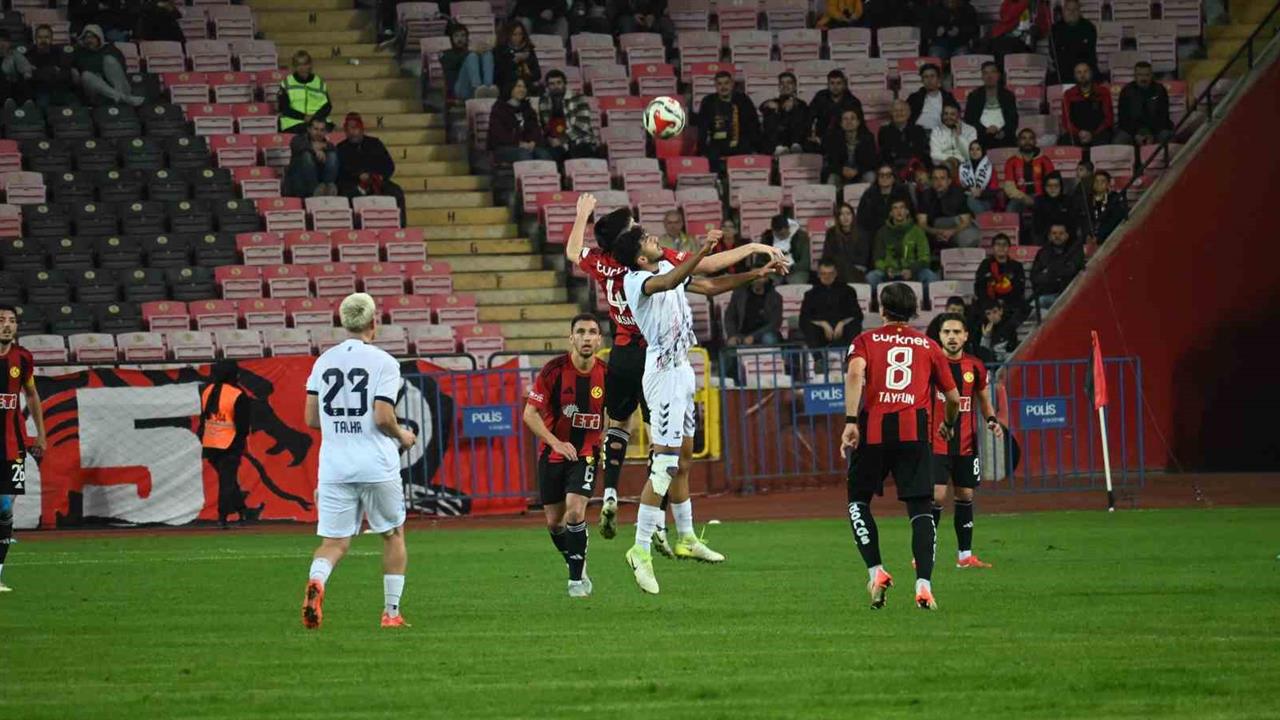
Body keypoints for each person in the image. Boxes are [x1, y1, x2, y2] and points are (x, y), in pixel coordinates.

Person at [564, 196, 785, 543]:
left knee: (620, 423)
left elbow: (574, 251)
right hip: (655, 357)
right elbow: (707, 272)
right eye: (634, 227)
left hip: (621, 354)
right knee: (665, 447)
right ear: (630, 243)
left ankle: (610, 492)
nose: (641, 228)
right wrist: (753, 248)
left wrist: (580, 217)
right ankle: (654, 528)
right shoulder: (649, 266)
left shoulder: (604, 263)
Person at [615, 226, 786, 594]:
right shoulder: (637, 280)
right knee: (664, 465)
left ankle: (687, 536)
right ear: (640, 258)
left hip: (683, 369)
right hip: (661, 375)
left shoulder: (667, 267)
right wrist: (701, 250)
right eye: (647, 241)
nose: (655, 241)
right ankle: (640, 549)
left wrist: (755, 264)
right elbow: (674, 279)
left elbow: (707, 282)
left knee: (686, 457)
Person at [841, 282, 961, 611]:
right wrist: (948, 425)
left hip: (874, 432)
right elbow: (953, 398)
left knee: (857, 502)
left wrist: (851, 421)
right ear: (914, 310)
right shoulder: (928, 345)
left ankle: (876, 571)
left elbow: (855, 374)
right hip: (914, 434)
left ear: (881, 310)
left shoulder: (865, 340)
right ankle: (923, 586)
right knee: (922, 509)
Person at [301, 293, 417, 630]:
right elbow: (383, 416)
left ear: (343, 322)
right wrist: (403, 436)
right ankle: (391, 614)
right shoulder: (384, 362)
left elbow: (310, 418)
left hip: (335, 465)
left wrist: (341, 427)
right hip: (375, 464)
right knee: (393, 535)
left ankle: (318, 581)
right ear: (373, 323)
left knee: (334, 543)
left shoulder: (323, 362)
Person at [522, 314, 607, 598]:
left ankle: (574, 583)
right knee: (555, 523)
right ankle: (578, 562)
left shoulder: (607, 374)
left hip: (586, 455)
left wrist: (609, 441)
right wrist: (555, 442)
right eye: (580, 332)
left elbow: (619, 415)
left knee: (575, 510)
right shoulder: (553, 371)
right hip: (552, 454)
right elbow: (529, 414)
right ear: (571, 338)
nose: (586, 337)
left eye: (592, 332)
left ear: (599, 340)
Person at [926, 313, 1002, 568]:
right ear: (939, 336)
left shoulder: (975, 366)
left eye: (957, 332)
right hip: (935, 442)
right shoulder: (931, 365)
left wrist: (992, 419)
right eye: (947, 332)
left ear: (966, 335)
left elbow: (983, 398)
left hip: (967, 444)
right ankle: (926, 552)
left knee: (965, 494)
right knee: (936, 496)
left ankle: (965, 556)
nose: (952, 337)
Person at [0, 305, 48, 593]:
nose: (7, 325)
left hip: (13, 445)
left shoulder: (23, 358)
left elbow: (31, 395)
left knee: (5, 509)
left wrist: (40, 435)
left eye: (12, 321)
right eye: (1, 320)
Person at [199, 361, 262, 528]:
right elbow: (242, 426)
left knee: (228, 479)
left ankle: (242, 510)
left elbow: (203, 418)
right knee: (227, 481)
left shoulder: (207, 391)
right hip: (229, 443)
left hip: (210, 442)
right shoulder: (237, 394)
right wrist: (241, 444)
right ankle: (222, 516)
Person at [335, 112, 406, 223]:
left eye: (355, 128)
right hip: (353, 183)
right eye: (349, 129)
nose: (352, 132)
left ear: (361, 129)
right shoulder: (341, 148)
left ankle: (400, 227)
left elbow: (389, 165)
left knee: (396, 192)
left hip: (376, 180)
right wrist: (359, 176)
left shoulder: (375, 143)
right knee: (347, 195)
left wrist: (380, 176)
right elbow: (340, 171)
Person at [867, 198, 936, 298]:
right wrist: (887, 269)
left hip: (912, 272)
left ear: (907, 211)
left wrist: (911, 270)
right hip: (889, 273)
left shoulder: (917, 231)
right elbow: (878, 259)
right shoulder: (882, 232)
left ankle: (925, 305)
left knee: (930, 276)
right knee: (871, 278)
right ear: (891, 213)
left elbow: (925, 257)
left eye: (902, 208)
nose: (899, 211)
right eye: (895, 208)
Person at [697, 70, 760, 172]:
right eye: (719, 84)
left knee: (748, 153)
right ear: (715, 86)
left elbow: (753, 124)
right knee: (711, 154)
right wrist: (702, 150)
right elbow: (702, 127)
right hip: (718, 142)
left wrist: (754, 147)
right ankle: (718, 181)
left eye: (726, 83)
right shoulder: (708, 101)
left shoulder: (743, 100)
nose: (723, 87)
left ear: (732, 84)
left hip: (740, 141)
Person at [800, 259, 863, 357]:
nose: (827, 277)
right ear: (818, 274)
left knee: (854, 325)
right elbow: (804, 318)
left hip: (843, 331)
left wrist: (842, 323)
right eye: (823, 273)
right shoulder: (811, 294)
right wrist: (823, 324)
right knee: (808, 327)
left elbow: (857, 314)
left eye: (830, 273)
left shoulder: (848, 290)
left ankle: (850, 359)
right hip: (821, 333)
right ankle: (818, 360)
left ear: (836, 273)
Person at [73, 24, 144, 107]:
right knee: (86, 75)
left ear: (99, 38)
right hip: (97, 93)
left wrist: (102, 76)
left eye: (92, 37)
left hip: (119, 87)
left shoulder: (110, 49)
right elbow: (79, 78)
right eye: (86, 37)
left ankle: (121, 97)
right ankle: (123, 99)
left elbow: (121, 72)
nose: (89, 40)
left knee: (109, 59)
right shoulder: (80, 53)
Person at [538, 69, 602, 161]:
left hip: (580, 141)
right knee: (546, 155)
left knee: (577, 153)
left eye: (559, 82)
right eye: (552, 84)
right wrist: (550, 139)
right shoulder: (544, 100)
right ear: (547, 86)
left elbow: (583, 126)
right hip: (556, 142)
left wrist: (562, 140)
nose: (556, 86)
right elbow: (545, 125)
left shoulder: (579, 98)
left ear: (565, 84)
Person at [487, 78, 553, 163]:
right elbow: (498, 134)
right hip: (503, 147)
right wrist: (518, 143)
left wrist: (533, 141)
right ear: (510, 88)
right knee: (524, 154)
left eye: (524, 87)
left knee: (543, 154)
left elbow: (535, 128)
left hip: (526, 146)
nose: (522, 89)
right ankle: (527, 176)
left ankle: (546, 176)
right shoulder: (499, 108)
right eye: (518, 86)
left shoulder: (527, 108)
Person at [917, 165, 982, 249]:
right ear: (931, 181)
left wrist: (951, 232)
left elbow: (966, 221)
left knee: (970, 235)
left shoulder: (958, 193)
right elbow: (922, 223)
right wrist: (937, 232)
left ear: (949, 181)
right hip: (933, 231)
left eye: (942, 178)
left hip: (956, 229)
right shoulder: (925, 195)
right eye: (935, 178)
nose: (939, 182)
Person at [857, 164, 914, 258]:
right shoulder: (869, 195)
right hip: (875, 236)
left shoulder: (903, 192)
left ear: (893, 178)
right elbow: (862, 220)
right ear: (877, 178)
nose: (884, 178)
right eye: (881, 175)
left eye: (888, 175)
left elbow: (910, 216)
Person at [1115, 61, 1173, 146]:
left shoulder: (1160, 90)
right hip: (1131, 130)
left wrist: (1151, 134)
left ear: (1152, 75)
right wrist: (1136, 134)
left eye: (1147, 75)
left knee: (1166, 136)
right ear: (1135, 76)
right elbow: (1123, 118)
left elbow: (1163, 117)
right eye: (1140, 75)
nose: (1143, 78)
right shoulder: (1126, 91)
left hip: (1156, 129)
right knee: (1119, 140)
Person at [963, 62, 1019, 150]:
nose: (989, 76)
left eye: (992, 72)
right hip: (981, 138)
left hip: (1005, 138)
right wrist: (985, 130)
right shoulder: (974, 96)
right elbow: (969, 119)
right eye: (985, 73)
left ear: (998, 75)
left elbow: (1013, 119)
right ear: (982, 76)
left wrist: (1003, 132)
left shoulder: (1008, 96)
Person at [974, 233, 1028, 323]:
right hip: (989, 304)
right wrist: (993, 304)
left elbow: (1019, 289)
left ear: (1009, 248)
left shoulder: (1016, 266)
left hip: (1010, 303)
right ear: (993, 247)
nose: (1001, 247)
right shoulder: (985, 264)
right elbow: (979, 287)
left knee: (1023, 308)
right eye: (998, 244)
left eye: (1004, 244)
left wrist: (1002, 302)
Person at [1031, 222, 1084, 310]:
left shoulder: (1075, 251)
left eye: (1061, 233)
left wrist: (1049, 272)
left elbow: (1072, 271)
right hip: (1047, 296)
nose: (1057, 236)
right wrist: (1055, 275)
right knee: (1033, 307)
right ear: (1049, 236)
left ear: (1067, 236)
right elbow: (1034, 277)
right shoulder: (1042, 253)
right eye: (1054, 233)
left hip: (1069, 296)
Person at [439, 23, 497, 102]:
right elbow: (455, 60)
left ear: (467, 38)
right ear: (451, 38)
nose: (460, 39)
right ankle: (477, 88)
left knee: (487, 53)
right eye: (456, 36)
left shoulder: (470, 51)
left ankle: (488, 88)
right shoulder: (446, 54)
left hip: (481, 88)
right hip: (461, 90)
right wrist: (473, 51)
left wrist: (486, 49)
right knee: (472, 56)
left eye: (463, 36)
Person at [1002, 128, 1055, 213]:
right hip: (1019, 197)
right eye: (1024, 138)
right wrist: (1024, 197)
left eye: (1031, 138)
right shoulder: (1011, 162)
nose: (1027, 141)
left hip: (1041, 197)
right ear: (1018, 142)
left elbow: (1052, 183)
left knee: (1050, 207)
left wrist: (1040, 198)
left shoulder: (1045, 160)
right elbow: (1009, 188)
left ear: (1035, 142)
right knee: (1010, 209)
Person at [807, 70, 863, 150]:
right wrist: (812, 135)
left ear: (844, 85)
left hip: (843, 137)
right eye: (832, 83)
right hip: (821, 135)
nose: (835, 87)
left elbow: (859, 123)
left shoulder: (852, 101)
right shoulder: (820, 97)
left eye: (838, 83)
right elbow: (810, 117)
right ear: (828, 85)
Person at [284, 117, 340, 198]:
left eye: (322, 130)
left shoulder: (327, 145)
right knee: (306, 155)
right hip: (300, 183)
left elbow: (334, 150)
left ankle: (327, 188)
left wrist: (324, 147)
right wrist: (314, 149)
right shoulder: (298, 139)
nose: (318, 133)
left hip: (321, 180)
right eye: (316, 129)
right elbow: (297, 147)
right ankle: (315, 190)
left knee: (332, 155)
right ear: (309, 129)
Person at [1061, 62, 1113, 147]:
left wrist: (1093, 133)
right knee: (1064, 142)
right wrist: (1079, 133)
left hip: (1099, 133)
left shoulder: (1103, 92)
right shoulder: (1068, 94)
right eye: (1079, 72)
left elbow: (1108, 118)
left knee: (1104, 143)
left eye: (1085, 71)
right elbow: (1066, 121)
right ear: (1075, 76)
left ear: (1091, 73)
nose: (1082, 75)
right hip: (1076, 133)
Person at [27, 25, 79, 109]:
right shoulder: (30, 53)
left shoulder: (59, 52)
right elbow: (32, 76)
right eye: (40, 37)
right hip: (41, 91)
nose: (43, 40)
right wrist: (53, 70)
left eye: (46, 37)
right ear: (35, 39)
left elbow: (66, 74)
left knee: (78, 110)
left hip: (61, 90)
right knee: (42, 108)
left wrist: (41, 72)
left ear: (51, 39)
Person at [279, 50, 332, 133]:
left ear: (310, 65)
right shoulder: (286, 83)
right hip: (294, 123)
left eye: (305, 64)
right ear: (294, 66)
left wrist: (314, 119)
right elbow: (284, 108)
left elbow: (327, 106)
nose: (302, 68)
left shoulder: (319, 82)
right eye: (298, 65)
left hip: (318, 121)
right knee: (309, 131)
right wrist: (304, 117)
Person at [823, 109, 879, 185]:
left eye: (852, 118)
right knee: (832, 178)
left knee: (871, 176)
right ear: (841, 123)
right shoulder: (833, 139)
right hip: (840, 174)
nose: (849, 122)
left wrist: (857, 171)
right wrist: (842, 170)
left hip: (860, 173)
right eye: (845, 119)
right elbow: (831, 162)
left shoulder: (867, 138)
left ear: (858, 122)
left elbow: (872, 162)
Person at [760, 72, 810, 155]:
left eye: (789, 83)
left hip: (794, 138)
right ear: (779, 87)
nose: (785, 86)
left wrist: (793, 104)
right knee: (770, 111)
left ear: (795, 87)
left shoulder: (801, 104)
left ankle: (796, 145)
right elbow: (762, 108)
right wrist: (768, 104)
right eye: (782, 83)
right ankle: (778, 147)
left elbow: (805, 124)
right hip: (776, 139)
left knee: (799, 109)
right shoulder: (773, 102)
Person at [724, 276, 783, 347]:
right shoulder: (739, 294)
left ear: (767, 279)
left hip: (764, 333)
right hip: (742, 333)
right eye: (755, 277)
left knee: (769, 339)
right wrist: (732, 335)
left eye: (760, 277)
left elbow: (775, 323)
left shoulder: (775, 297)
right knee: (730, 344)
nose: (757, 281)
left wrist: (754, 337)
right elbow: (729, 316)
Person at [878, 100, 931, 176]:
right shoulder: (884, 131)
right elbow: (885, 154)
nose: (899, 113)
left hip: (915, 167)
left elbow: (922, 153)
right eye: (895, 111)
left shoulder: (919, 130)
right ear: (891, 113)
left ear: (909, 113)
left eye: (902, 110)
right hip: (893, 168)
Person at [1050, 0, 1098, 84]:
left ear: (1079, 11)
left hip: (1085, 70)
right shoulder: (1055, 29)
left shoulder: (1089, 27)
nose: (1072, 12)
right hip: (1063, 72)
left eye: (1075, 9)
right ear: (1063, 11)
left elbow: (1091, 53)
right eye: (1069, 9)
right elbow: (1055, 55)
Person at [822, 202, 870, 282]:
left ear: (853, 216)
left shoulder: (862, 233)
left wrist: (844, 261)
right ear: (837, 217)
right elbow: (827, 255)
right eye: (841, 214)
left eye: (848, 213)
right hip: (837, 269)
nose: (845, 217)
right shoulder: (831, 233)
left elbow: (863, 258)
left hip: (857, 269)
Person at [758, 214, 811, 284]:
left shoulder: (801, 237)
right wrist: (773, 267)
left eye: (783, 234)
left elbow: (805, 262)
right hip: (773, 271)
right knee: (767, 282)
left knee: (797, 282)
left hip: (796, 270)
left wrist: (791, 268)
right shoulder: (767, 238)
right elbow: (760, 261)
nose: (781, 237)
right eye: (778, 235)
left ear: (788, 228)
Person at [905, 63, 959, 131]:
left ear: (939, 78)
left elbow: (955, 117)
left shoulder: (947, 97)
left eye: (932, 76)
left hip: (940, 134)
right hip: (917, 134)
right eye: (926, 77)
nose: (929, 80)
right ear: (922, 80)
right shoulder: (914, 98)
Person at [1081, 170, 1128, 245]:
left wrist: (1100, 234)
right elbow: (1084, 219)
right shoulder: (1088, 200)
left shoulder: (1114, 198)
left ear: (1108, 184)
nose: (1099, 184)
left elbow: (1115, 218)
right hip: (1090, 239)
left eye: (1103, 181)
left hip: (1109, 238)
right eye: (1096, 181)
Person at [493, 21, 542, 93]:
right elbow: (499, 74)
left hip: (526, 84)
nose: (518, 37)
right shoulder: (500, 50)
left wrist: (528, 71)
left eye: (520, 34)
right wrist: (514, 61)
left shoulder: (529, 50)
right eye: (514, 34)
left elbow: (537, 74)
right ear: (508, 35)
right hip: (507, 85)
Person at [929, 104, 979, 171]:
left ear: (959, 116)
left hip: (965, 167)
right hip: (943, 166)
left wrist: (959, 136)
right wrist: (952, 160)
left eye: (952, 114)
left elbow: (970, 154)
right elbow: (934, 154)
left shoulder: (970, 130)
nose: (948, 117)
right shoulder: (936, 131)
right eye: (946, 114)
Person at [1031, 171, 1074, 244]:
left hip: (1066, 241)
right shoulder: (1039, 201)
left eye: (1056, 185)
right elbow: (1036, 227)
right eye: (1049, 185)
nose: (1053, 188)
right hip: (1045, 241)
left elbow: (1072, 225)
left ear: (1061, 187)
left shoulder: (1068, 201)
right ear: (1044, 187)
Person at [958, 141, 998, 215]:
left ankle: (984, 221)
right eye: (972, 149)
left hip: (986, 200)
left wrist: (981, 193)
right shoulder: (963, 167)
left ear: (982, 151)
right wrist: (968, 188)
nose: (974, 152)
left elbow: (994, 191)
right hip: (967, 198)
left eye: (978, 149)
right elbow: (958, 187)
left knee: (971, 200)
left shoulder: (989, 168)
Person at [0, 30, 33, 110]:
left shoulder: (15, 55)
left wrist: (26, 72)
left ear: (10, 43)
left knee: (22, 80)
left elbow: (26, 70)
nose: (2, 44)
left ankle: (25, 105)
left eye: (5, 41)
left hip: (13, 88)